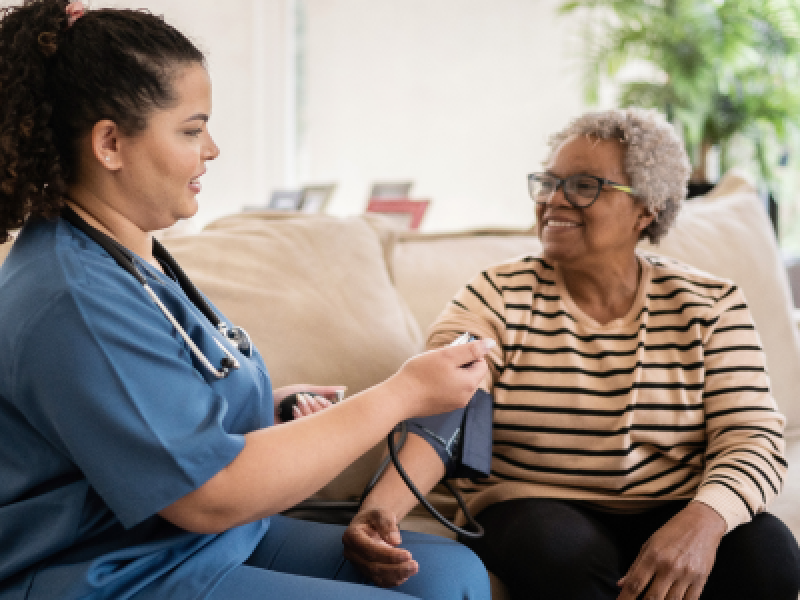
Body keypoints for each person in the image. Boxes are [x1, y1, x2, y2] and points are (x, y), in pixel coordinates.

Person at [0, 2, 496, 599]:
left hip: (192, 542)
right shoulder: (73, 296)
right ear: (110, 143)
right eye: (190, 129)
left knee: (454, 577)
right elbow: (211, 495)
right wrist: (403, 395)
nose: (211, 149)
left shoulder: (130, 254)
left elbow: (168, 404)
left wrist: (272, 405)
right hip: (115, 570)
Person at [343, 107, 800, 600]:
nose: (554, 199)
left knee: (768, 554)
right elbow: (443, 407)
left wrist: (703, 521)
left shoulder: (711, 305)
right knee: (557, 549)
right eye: (549, 182)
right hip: (536, 505)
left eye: (585, 185)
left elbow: (751, 437)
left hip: (672, 500)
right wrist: (381, 510)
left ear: (646, 207)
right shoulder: (497, 295)